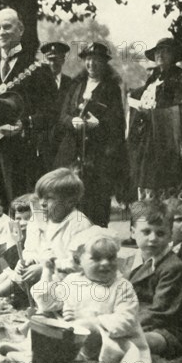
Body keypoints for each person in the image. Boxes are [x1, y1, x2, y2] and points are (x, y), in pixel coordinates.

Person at [0, 8, 58, 209]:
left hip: (22, 155)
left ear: (20, 29)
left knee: (20, 208)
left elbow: (52, 112)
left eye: (7, 26)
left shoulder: (38, 70)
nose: (1, 32)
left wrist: (25, 125)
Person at [30, 226, 152, 363]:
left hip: (112, 343)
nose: (106, 263)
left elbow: (127, 319)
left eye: (111, 257)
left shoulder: (121, 286)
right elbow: (47, 303)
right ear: (79, 261)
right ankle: (31, 351)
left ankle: (56, 358)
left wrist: (91, 323)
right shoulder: (73, 280)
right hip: (77, 340)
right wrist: (47, 272)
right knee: (42, 317)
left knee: (83, 330)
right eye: (96, 258)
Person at [54, 42, 127, 227]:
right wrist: (72, 121)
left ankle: (97, 244)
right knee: (71, 201)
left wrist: (99, 124)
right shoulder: (76, 85)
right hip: (72, 155)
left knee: (97, 205)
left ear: (104, 63)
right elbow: (62, 116)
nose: (91, 64)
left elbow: (118, 124)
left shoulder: (111, 89)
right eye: (88, 59)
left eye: (96, 60)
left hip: (99, 158)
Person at [128, 39, 182, 202]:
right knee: (148, 188)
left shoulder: (181, 77)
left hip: (171, 143)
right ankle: (149, 225)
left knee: (171, 193)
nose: (160, 54)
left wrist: (154, 112)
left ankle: (171, 224)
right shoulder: (153, 78)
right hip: (150, 142)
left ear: (173, 55)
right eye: (158, 51)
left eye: (165, 51)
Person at [127, 199, 182, 357]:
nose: (153, 238)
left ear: (170, 234)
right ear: (133, 232)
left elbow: (160, 313)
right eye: (146, 231)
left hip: (166, 329)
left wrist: (123, 325)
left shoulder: (174, 268)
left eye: (160, 233)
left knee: (141, 342)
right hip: (129, 321)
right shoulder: (130, 261)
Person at [16, 168, 93, 287]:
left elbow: (79, 265)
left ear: (70, 202)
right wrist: (29, 260)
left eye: (49, 198)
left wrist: (44, 268)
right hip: (46, 281)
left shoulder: (79, 224)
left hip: (69, 285)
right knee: (11, 275)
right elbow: (34, 250)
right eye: (40, 197)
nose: (42, 203)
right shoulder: (43, 220)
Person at [40, 42, 72, 168]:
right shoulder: (36, 81)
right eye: (50, 59)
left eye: (57, 59)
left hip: (63, 140)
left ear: (63, 60)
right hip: (41, 140)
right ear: (45, 60)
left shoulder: (70, 83)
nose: (53, 63)